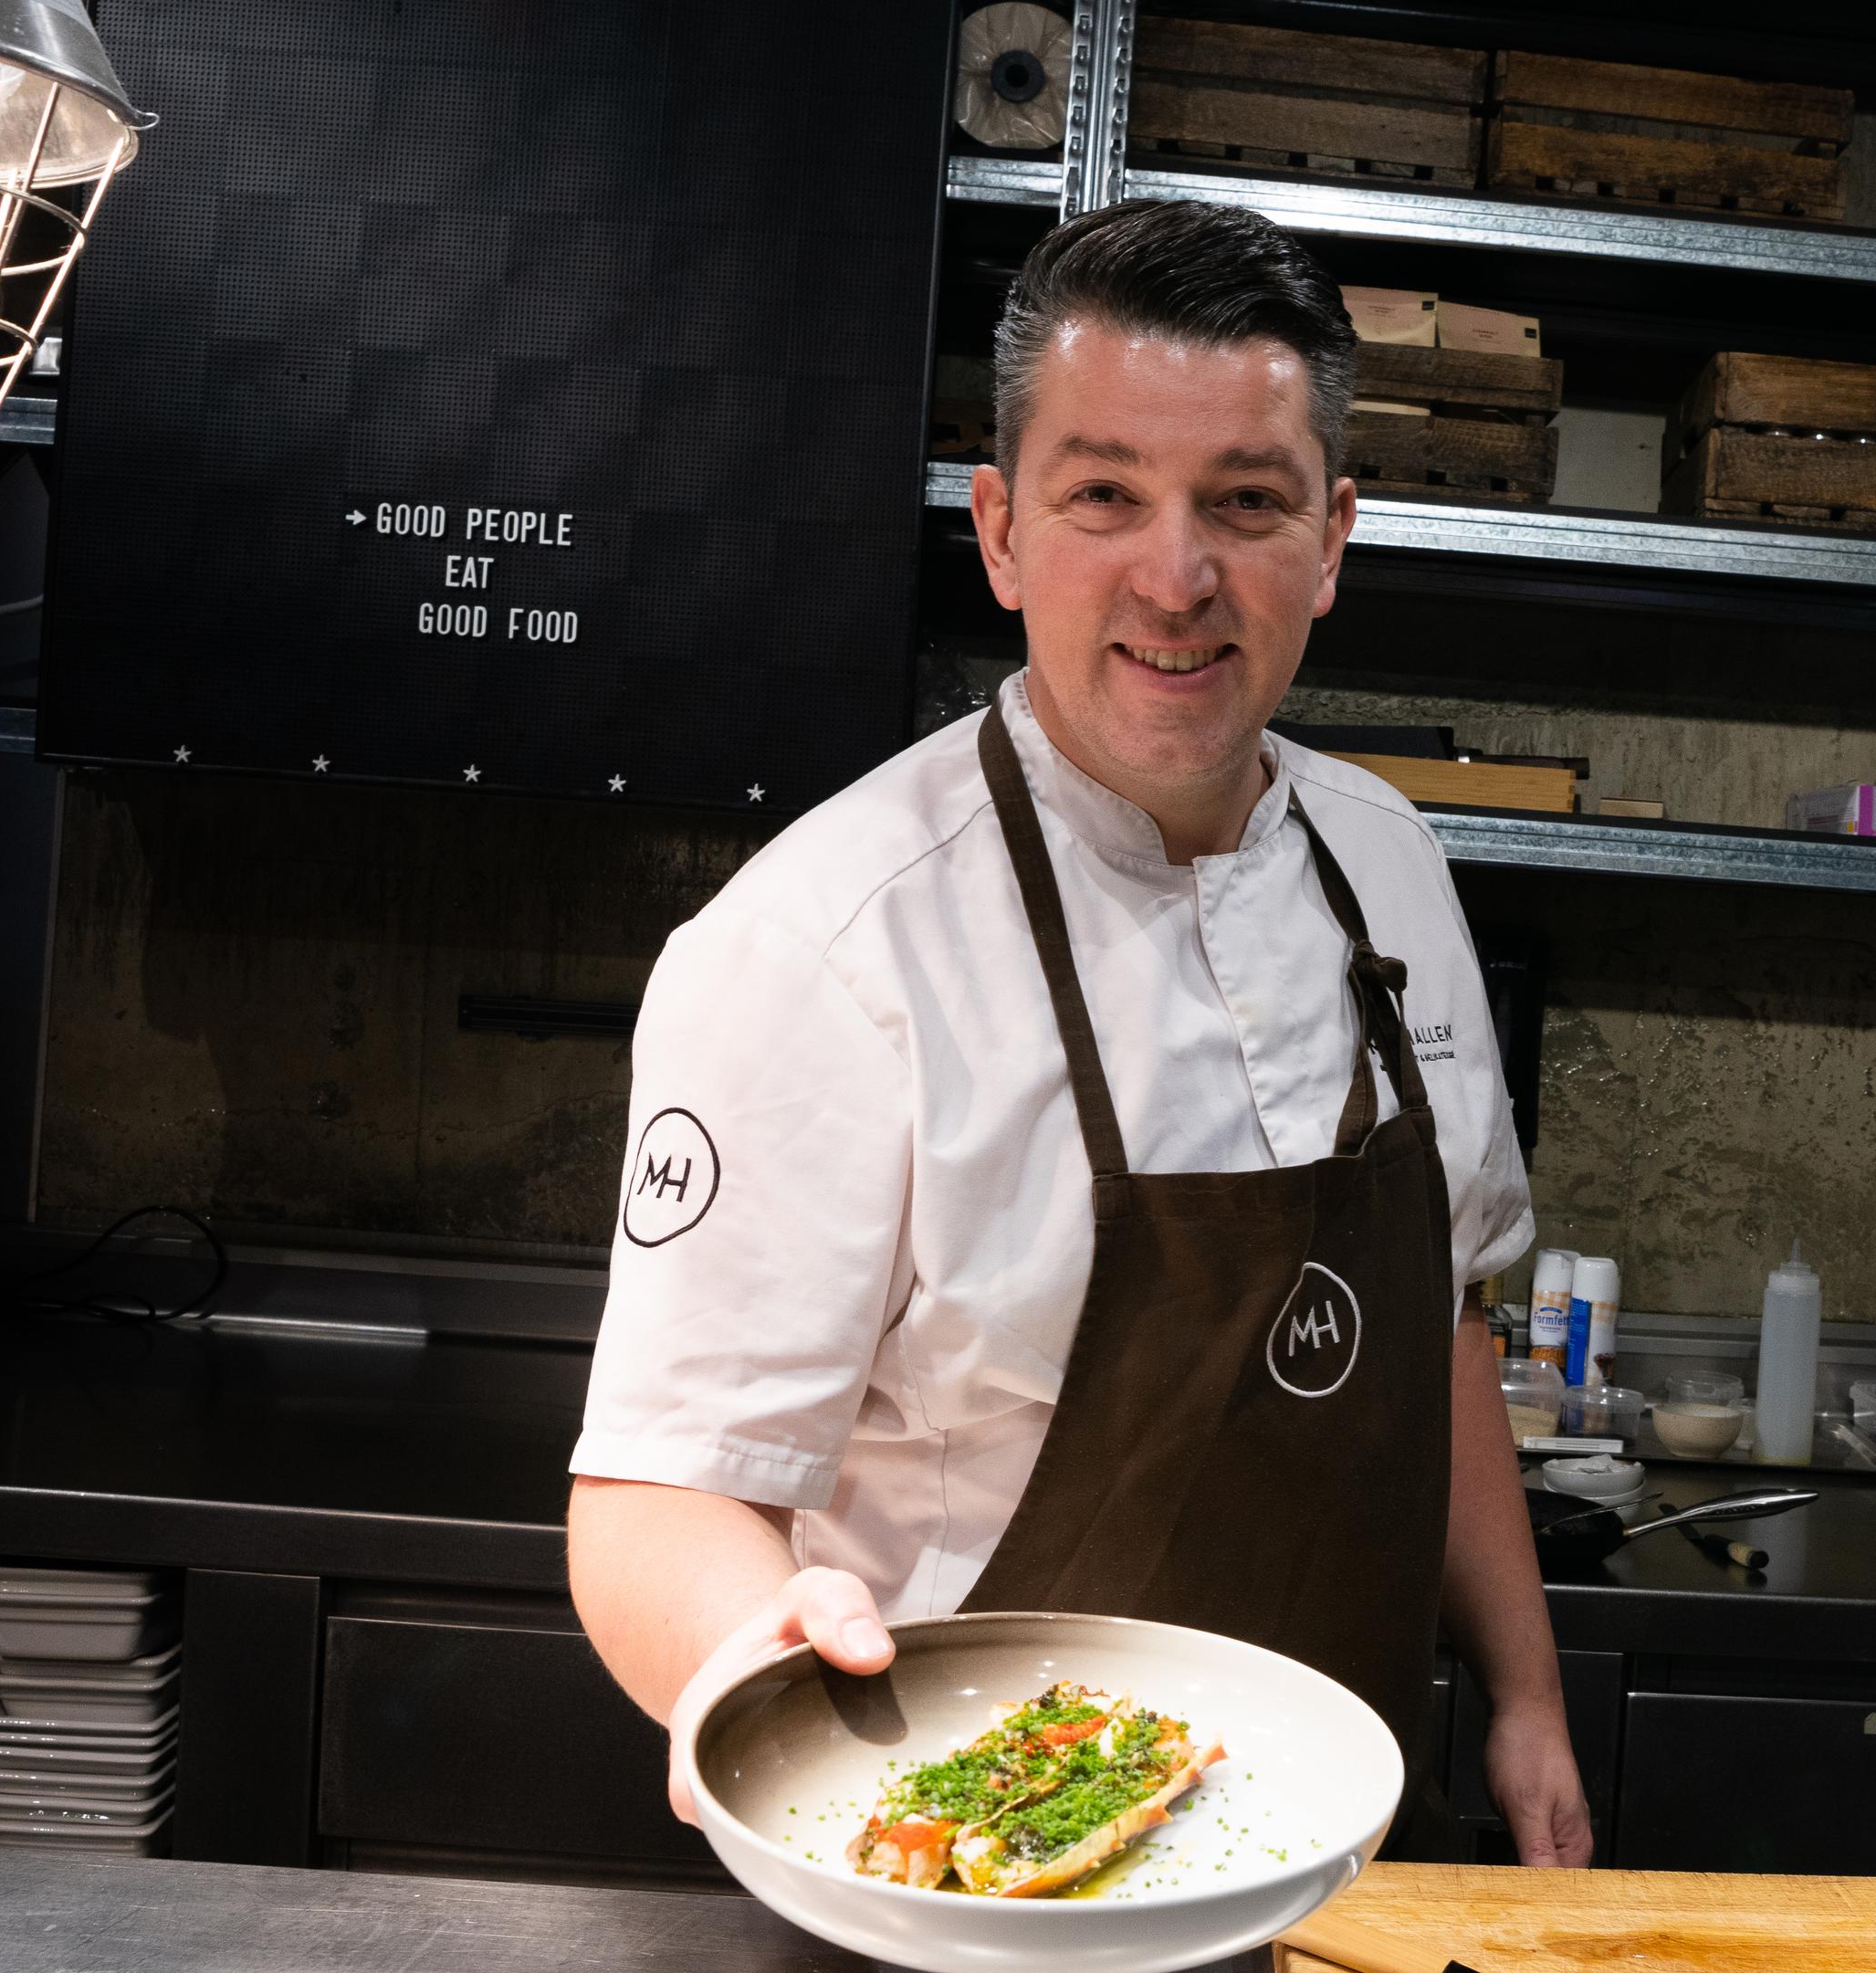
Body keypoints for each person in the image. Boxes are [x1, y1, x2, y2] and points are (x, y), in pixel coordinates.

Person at [562, 198, 1592, 1866]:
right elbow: (663, 1488)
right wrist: (741, 1663)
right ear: (1000, 532)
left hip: (1341, 1871)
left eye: (1245, 504)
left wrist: (1528, 1693)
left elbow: (1441, 1327)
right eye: (1104, 494)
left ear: (1331, 540)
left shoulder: (1392, 864)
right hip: (972, 1882)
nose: (1176, 578)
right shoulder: (821, 945)